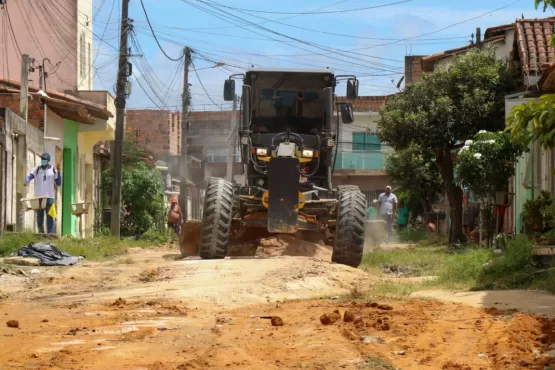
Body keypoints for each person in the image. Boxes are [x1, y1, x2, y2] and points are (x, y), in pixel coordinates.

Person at [24, 152, 62, 234]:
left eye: (44, 159)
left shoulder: (53, 170)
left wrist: (59, 172)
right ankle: (41, 234)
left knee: (50, 217)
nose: (42, 161)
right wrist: (27, 180)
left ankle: (50, 235)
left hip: (50, 198)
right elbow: (30, 176)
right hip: (39, 198)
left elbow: (58, 183)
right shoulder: (36, 169)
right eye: (42, 159)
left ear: (48, 160)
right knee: (39, 218)